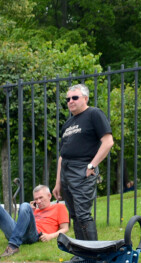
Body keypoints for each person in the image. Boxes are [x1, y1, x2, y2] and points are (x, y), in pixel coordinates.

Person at [52, 83, 113, 242]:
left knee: (83, 214)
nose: (70, 101)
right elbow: (62, 155)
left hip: (82, 169)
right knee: (74, 215)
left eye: (75, 97)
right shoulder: (68, 123)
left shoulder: (94, 114)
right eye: (68, 99)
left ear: (85, 98)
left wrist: (92, 166)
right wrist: (58, 182)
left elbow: (108, 142)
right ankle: (82, 255)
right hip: (66, 171)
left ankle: (95, 257)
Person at [0, 185, 70, 257]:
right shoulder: (34, 209)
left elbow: (65, 228)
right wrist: (32, 211)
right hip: (18, 232)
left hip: (33, 235)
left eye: (41, 198)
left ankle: (13, 246)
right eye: (36, 199)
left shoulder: (59, 207)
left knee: (25, 205)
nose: (38, 201)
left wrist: (50, 236)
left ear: (49, 196)